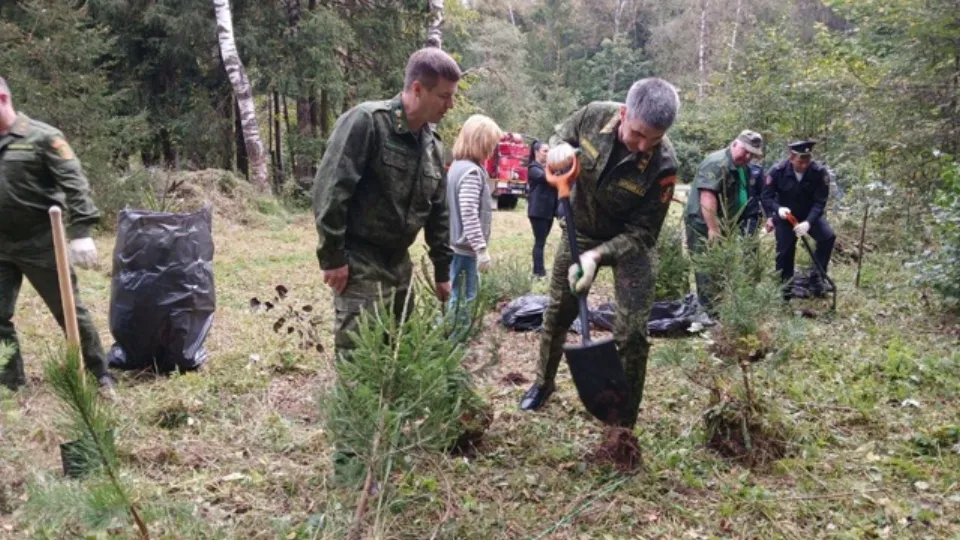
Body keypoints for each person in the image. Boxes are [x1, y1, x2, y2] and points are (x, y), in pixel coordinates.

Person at [519, 78, 681, 429]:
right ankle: (543, 384)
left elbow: (644, 235)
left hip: (628, 245)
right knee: (558, 311)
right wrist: (559, 149)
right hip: (580, 230)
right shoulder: (593, 116)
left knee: (633, 334)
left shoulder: (664, 164)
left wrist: (595, 258)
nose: (642, 147)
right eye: (637, 134)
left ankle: (623, 422)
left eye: (653, 139)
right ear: (624, 113)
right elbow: (560, 136)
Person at [312, 48, 460, 361]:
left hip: (399, 264)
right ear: (418, 90)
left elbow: (439, 215)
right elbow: (331, 190)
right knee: (359, 356)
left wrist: (442, 270)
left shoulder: (432, 147)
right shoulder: (367, 122)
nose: (451, 105)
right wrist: (332, 257)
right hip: (359, 260)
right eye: (445, 96)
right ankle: (356, 412)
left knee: (397, 353)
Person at [0, 76, 115, 392]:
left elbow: (74, 184)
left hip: (41, 243)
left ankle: (99, 375)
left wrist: (81, 230)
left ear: (2, 99)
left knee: (69, 311)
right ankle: (10, 383)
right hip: (1, 246)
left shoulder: (42, 138)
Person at [683, 130, 764, 312]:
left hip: (723, 223)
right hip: (703, 223)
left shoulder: (740, 164)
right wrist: (713, 228)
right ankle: (708, 311)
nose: (748, 156)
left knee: (720, 263)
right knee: (706, 266)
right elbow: (707, 197)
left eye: (753, 154)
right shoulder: (717, 163)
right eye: (745, 151)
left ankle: (717, 306)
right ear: (735, 143)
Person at [446, 114, 502, 338]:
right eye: (490, 145)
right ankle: (455, 347)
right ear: (480, 142)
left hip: (454, 245)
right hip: (465, 249)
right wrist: (480, 249)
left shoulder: (457, 166)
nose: (493, 150)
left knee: (455, 295)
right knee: (464, 298)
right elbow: (468, 210)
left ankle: (448, 339)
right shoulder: (470, 172)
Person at [761, 140, 836, 300]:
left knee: (828, 237)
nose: (804, 165)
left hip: (810, 216)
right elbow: (766, 197)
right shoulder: (777, 171)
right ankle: (784, 288)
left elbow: (820, 202)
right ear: (791, 157)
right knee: (785, 250)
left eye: (807, 161)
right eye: (800, 161)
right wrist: (777, 208)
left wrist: (808, 222)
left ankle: (817, 278)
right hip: (785, 217)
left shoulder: (819, 172)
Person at [526, 140, 556, 278]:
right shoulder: (533, 168)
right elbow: (548, 178)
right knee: (540, 242)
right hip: (538, 212)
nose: (548, 153)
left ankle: (540, 270)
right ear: (536, 152)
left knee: (542, 242)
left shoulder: (546, 168)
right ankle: (538, 272)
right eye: (545, 151)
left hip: (548, 212)